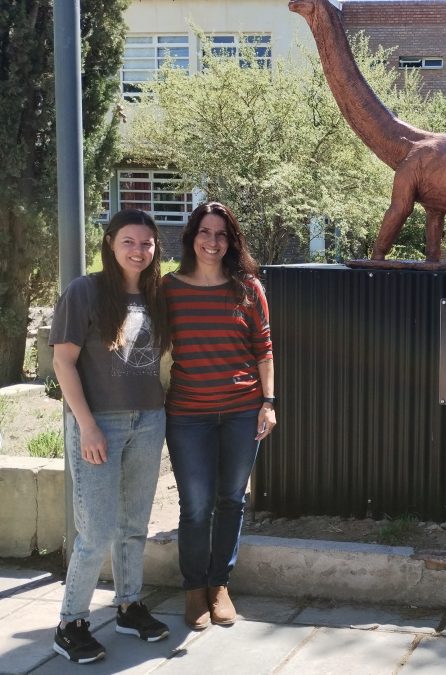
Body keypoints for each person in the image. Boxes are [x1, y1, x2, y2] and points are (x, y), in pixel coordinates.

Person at [50, 209, 171, 664]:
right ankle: (70, 623)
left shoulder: (158, 295)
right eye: (128, 242)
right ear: (110, 243)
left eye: (146, 243)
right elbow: (63, 363)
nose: (138, 250)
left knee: (134, 525)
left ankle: (129, 605)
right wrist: (87, 425)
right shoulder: (85, 291)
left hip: (148, 420)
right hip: (99, 422)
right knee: (96, 530)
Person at [163, 201, 276, 630]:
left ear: (231, 241)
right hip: (187, 415)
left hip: (242, 411)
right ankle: (194, 590)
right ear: (192, 237)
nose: (212, 242)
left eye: (221, 234)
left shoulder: (247, 288)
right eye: (205, 232)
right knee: (195, 506)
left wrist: (269, 403)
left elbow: (264, 349)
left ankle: (219, 585)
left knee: (231, 499)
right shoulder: (168, 289)